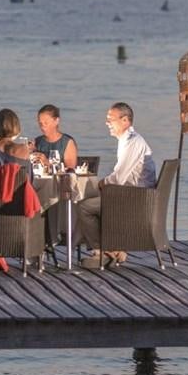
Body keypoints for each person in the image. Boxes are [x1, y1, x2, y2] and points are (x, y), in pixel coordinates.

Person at [76, 102, 156, 269]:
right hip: (130, 194)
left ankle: (101, 251)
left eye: (110, 119)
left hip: (135, 199)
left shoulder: (133, 142)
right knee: (92, 200)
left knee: (84, 207)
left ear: (125, 121)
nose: (107, 123)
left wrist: (101, 183)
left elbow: (118, 178)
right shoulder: (127, 141)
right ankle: (113, 249)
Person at [35, 104, 78, 171]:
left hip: (62, 180)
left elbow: (70, 171)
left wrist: (47, 163)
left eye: (46, 123)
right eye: (40, 123)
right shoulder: (38, 141)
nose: (42, 127)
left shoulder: (67, 142)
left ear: (56, 121)